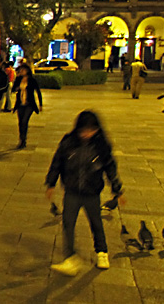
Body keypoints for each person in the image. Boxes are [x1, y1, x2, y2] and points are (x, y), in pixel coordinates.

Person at [46, 110, 124, 275]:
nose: (87, 134)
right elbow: (57, 162)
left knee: (96, 222)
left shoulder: (101, 145)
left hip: (91, 192)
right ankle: (70, 256)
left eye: (91, 130)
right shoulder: (69, 142)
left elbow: (110, 167)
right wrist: (50, 183)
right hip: (72, 191)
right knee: (68, 223)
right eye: (84, 130)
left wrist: (117, 189)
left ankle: (102, 252)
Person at [11, 64, 43, 149]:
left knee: (25, 121)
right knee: (20, 122)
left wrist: (40, 104)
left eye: (23, 70)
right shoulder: (18, 79)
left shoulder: (32, 80)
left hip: (29, 104)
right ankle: (21, 139)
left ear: (27, 71)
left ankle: (23, 140)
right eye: (20, 70)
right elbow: (13, 89)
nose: (21, 71)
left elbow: (38, 92)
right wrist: (17, 88)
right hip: (20, 104)